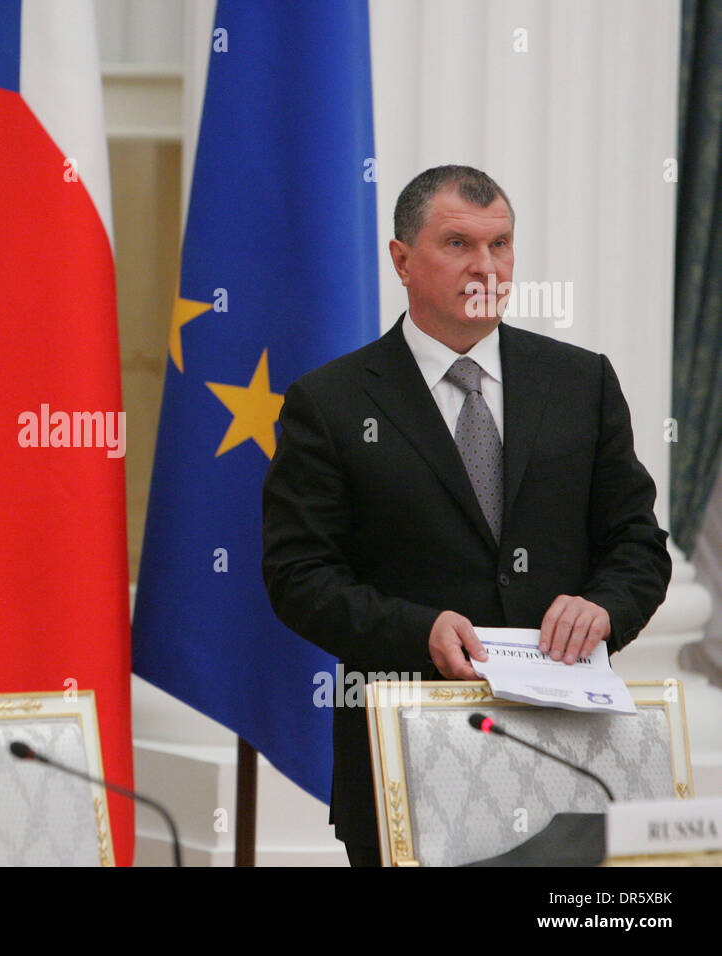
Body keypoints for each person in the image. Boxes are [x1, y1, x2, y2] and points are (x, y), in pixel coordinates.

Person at [261, 165, 671, 867]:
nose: (486, 266)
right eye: (458, 244)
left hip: (569, 758)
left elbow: (637, 543)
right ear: (401, 260)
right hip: (405, 759)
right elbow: (298, 575)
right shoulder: (328, 404)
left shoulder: (582, 382)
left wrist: (603, 607)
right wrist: (418, 630)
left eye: (501, 245)